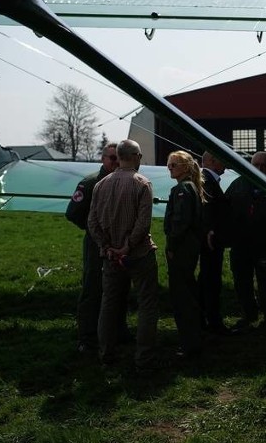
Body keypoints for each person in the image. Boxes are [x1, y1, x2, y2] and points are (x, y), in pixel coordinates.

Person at [87, 139, 161, 371]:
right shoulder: (142, 183)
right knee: (147, 305)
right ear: (136, 156)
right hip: (138, 255)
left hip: (110, 257)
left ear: (119, 157)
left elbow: (92, 221)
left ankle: (106, 354)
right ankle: (144, 358)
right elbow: (143, 222)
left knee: (109, 304)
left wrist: (107, 246)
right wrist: (127, 246)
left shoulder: (101, 184)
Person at [64, 142, 130, 353]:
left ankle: (118, 330)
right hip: (96, 245)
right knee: (93, 288)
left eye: (118, 158)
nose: (115, 162)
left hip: (120, 245)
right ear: (103, 159)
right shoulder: (91, 183)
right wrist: (96, 232)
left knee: (119, 288)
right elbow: (73, 213)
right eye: (111, 158)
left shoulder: (124, 181)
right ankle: (87, 337)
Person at [225, 151, 266, 330]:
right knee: (241, 280)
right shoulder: (237, 185)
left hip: (265, 242)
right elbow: (223, 209)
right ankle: (248, 314)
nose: (260, 168)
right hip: (240, 243)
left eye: (265, 166)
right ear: (250, 165)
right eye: (256, 165)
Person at [164, 150, 206, 357]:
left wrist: (171, 246)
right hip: (190, 247)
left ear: (185, 167)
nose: (170, 168)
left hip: (182, 249)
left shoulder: (182, 189)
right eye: (169, 165)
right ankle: (195, 338)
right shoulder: (191, 187)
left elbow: (179, 222)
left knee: (181, 296)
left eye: (174, 165)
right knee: (189, 291)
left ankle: (189, 343)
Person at [198, 151, 233, 335]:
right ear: (212, 161)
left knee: (208, 278)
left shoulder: (206, 179)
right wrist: (210, 230)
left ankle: (205, 319)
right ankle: (212, 322)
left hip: (211, 238)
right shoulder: (206, 180)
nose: (225, 163)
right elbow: (207, 206)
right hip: (212, 240)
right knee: (211, 280)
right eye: (222, 158)